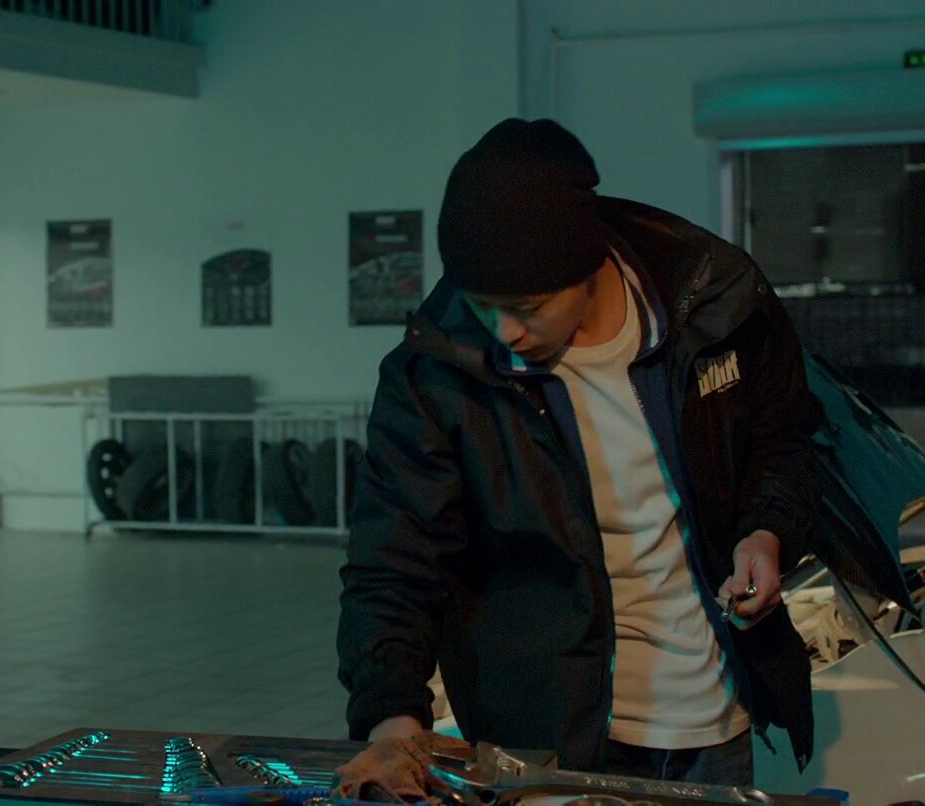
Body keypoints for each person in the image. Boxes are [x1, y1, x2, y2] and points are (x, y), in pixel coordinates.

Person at [335, 118, 824, 799]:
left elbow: (786, 439)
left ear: (588, 265)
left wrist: (765, 532)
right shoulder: (437, 374)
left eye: (527, 308)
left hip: (713, 719)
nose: (505, 332)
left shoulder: (715, 304)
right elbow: (394, 560)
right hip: (550, 740)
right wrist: (393, 720)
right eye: (483, 307)